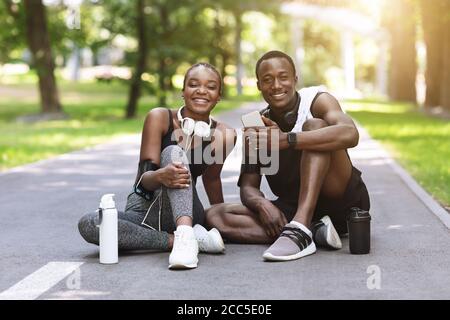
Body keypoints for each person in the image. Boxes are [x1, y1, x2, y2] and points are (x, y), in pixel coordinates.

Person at [206, 50, 370, 262]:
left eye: (283, 77)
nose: (276, 85)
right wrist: (262, 204)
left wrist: (286, 140)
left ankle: (301, 229)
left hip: (340, 199)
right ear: (259, 86)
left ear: (295, 79)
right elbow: (248, 186)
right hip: (292, 207)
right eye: (267, 80)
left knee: (314, 126)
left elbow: (350, 133)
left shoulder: (317, 101)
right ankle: (314, 231)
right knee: (215, 215)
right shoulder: (256, 124)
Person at [78, 62, 237, 269]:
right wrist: (161, 176)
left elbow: (212, 179)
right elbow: (142, 182)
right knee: (90, 223)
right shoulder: (160, 117)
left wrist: (219, 222)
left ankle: (185, 233)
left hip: (185, 210)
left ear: (219, 95)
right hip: (143, 210)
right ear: (183, 92)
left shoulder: (224, 134)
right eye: (193, 84)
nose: (201, 91)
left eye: (211, 87)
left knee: (173, 153)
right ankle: (179, 240)